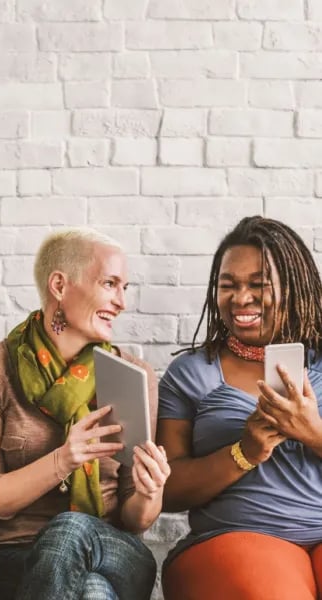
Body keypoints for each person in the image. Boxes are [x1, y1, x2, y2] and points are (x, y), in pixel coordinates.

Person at [0, 228, 171, 600]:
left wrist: (150, 491)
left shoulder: (132, 375)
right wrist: (63, 459)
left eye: (125, 287)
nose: (121, 302)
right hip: (11, 553)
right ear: (59, 285)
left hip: (114, 548)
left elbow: (134, 518)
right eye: (110, 284)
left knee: (71, 529)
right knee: (91, 590)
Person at [158, 216, 322, 599]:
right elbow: (166, 492)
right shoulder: (191, 373)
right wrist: (244, 452)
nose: (240, 298)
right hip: (235, 537)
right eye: (227, 285)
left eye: (258, 285)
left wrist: (314, 435)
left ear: (294, 289)